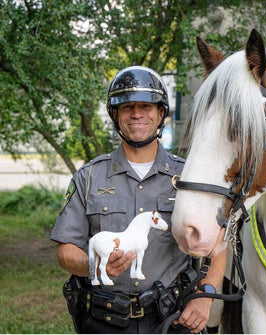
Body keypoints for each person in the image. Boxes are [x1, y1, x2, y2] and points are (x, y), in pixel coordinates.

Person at [51, 66, 227, 334]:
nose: (137, 114)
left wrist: (206, 296)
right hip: (104, 321)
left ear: (160, 115)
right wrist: (93, 265)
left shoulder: (188, 176)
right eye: (127, 107)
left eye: (146, 106)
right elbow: (65, 252)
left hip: (173, 319)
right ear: (115, 115)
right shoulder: (88, 178)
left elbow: (219, 245)